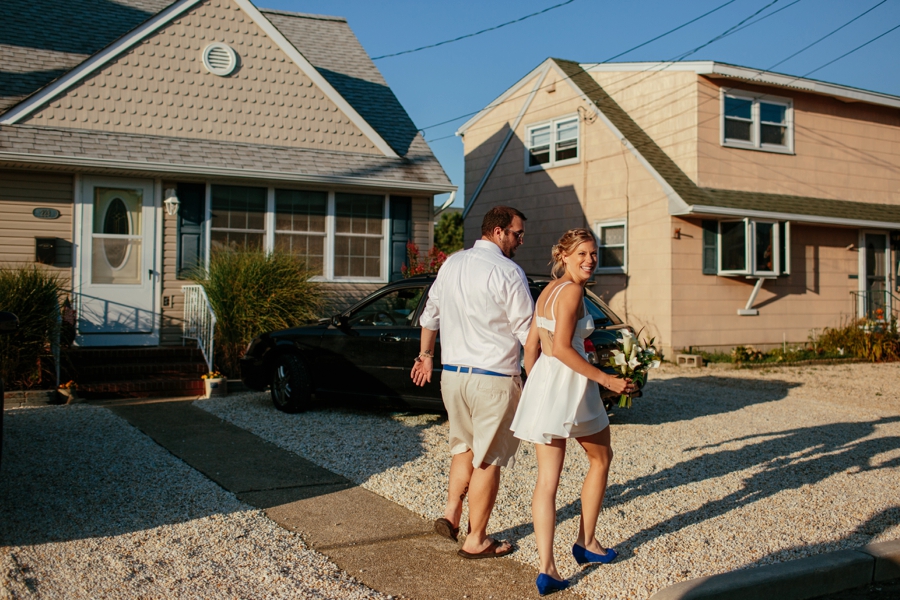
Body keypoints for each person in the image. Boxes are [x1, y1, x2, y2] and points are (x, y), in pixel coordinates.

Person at [510, 228, 634, 596]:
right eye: (581, 254)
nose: (589, 260)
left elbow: (531, 348)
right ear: (563, 256)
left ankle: (547, 568)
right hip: (575, 386)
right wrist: (608, 381)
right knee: (601, 458)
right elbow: (564, 348)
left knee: (547, 481)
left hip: (548, 385)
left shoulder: (546, 292)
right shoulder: (575, 292)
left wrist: (539, 388)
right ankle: (586, 542)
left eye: (594, 254)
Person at [411, 206, 533, 560]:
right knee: (487, 460)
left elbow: (429, 315)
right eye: (517, 233)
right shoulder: (508, 271)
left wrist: (426, 355)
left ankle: (451, 513)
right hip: (492, 379)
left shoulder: (451, 264)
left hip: (453, 377)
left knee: (462, 447)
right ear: (498, 232)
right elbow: (527, 331)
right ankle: (476, 539)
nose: (520, 241)